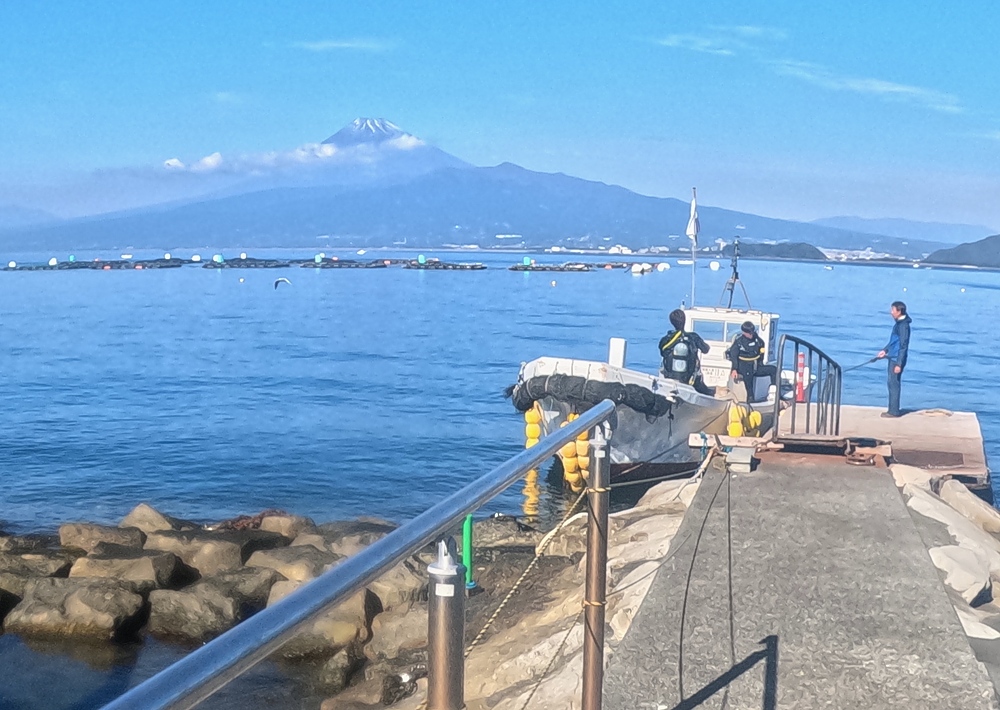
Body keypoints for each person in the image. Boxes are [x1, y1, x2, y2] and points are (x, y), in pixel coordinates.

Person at [659, 309, 715, 395]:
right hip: (691, 381)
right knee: (709, 392)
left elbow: (662, 352)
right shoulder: (693, 337)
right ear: (685, 320)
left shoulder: (666, 339)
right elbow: (706, 350)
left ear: (671, 322)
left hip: (669, 378)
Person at [727, 321, 777, 403]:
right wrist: (734, 369)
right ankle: (750, 398)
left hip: (755, 365)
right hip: (743, 367)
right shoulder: (739, 342)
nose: (751, 335)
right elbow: (734, 356)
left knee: (774, 370)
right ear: (744, 332)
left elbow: (761, 352)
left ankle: (774, 392)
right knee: (748, 375)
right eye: (748, 333)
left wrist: (760, 363)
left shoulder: (758, 341)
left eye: (752, 332)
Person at [877, 301, 911, 418]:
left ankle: (894, 411)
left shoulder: (903, 326)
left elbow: (903, 345)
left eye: (893, 310)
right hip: (893, 356)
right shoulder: (899, 324)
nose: (891, 313)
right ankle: (892, 409)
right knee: (891, 383)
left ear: (899, 311)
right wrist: (885, 350)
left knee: (893, 383)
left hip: (897, 359)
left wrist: (899, 364)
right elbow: (894, 342)